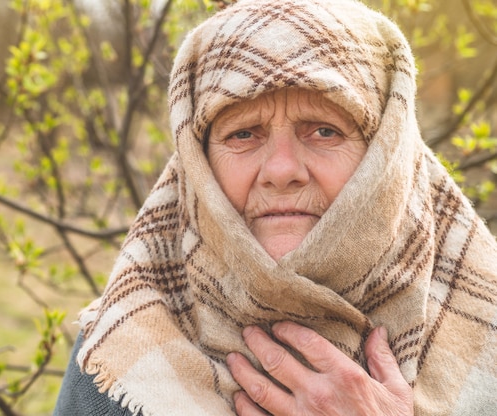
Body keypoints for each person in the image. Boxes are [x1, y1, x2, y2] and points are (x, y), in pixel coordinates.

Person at [54, 0, 497, 414]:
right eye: (243, 134)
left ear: (388, 156)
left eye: (324, 131)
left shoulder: (486, 326)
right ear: (198, 165)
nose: (282, 170)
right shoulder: (120, 349)